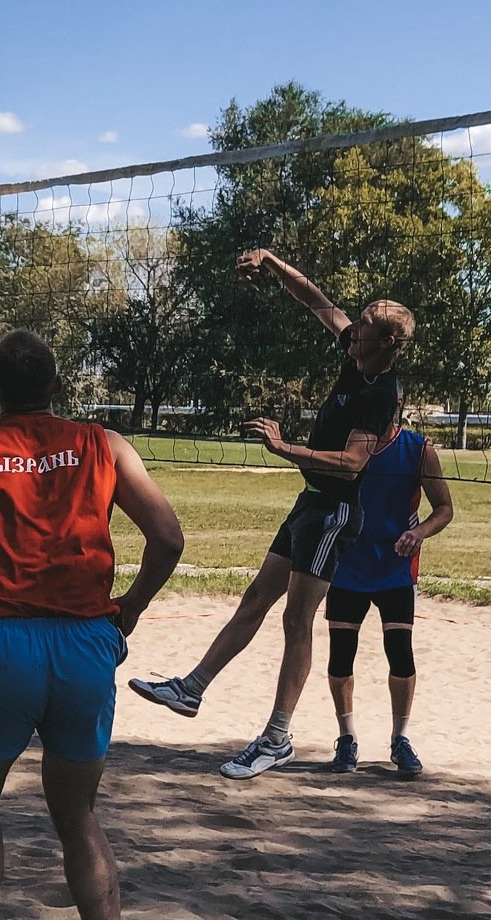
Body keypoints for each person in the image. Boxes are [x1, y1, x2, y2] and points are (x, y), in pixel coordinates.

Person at [0, 330, 185, 920]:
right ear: (57, 386)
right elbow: (168, 539)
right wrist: (129, 609)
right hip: (84, 642)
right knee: (79, 815)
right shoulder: (104, 444)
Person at [129, 247, 415, 780]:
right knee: (257, 597)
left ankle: (277, 737)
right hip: (312, 503)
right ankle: (191, 688)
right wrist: (272, 260)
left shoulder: (379, 394)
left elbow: (352, 463)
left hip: (335, 512)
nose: (353, 330)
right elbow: (316, 300)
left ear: (386, 344)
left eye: (364, 327)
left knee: (295, 620)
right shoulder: (355, 356)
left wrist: (286, 449)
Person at [326, 418, 452, 776]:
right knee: (341, 654)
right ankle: (347, 738)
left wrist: (420, 532)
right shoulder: (345, 442)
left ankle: (400, 738)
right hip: (347, 562)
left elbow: (444, 508)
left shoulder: (419, 449)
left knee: (400, 652)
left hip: (396, 564)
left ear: (397, 404)